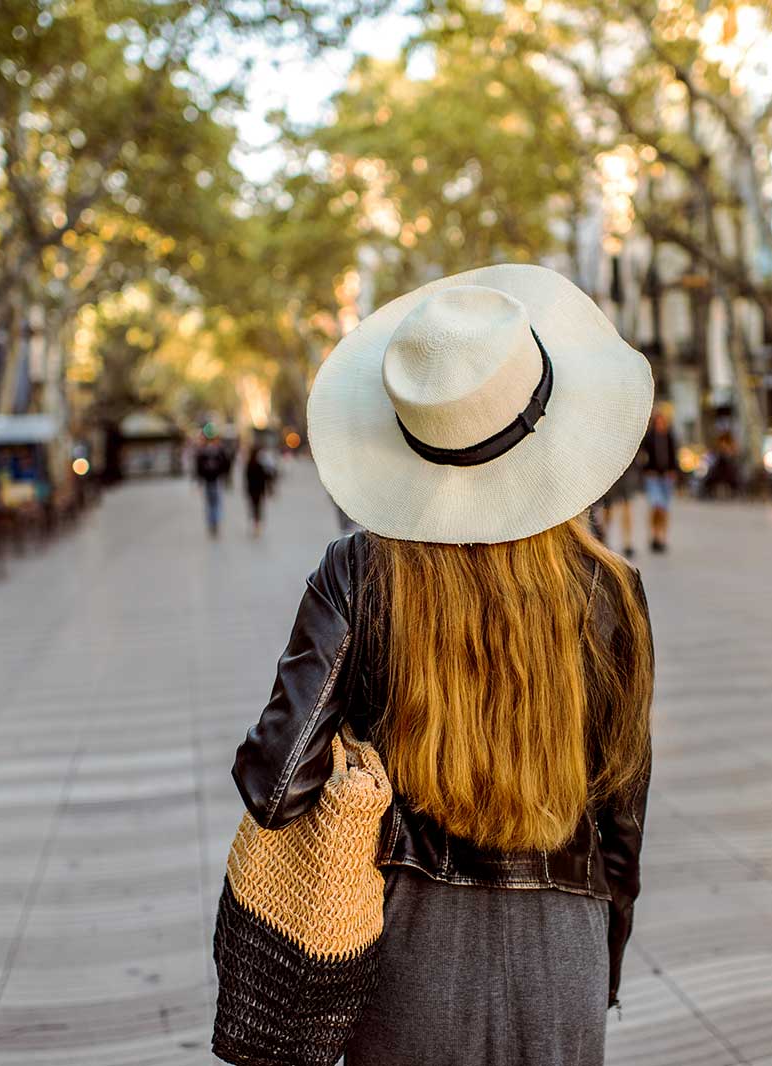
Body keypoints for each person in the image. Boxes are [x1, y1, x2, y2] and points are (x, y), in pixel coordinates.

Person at [231, 265, 656, 1065]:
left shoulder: (357, 571)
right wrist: (603, 958)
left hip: (405, 946)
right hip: (564, 946)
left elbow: (276, 782)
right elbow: (622, 819)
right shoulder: (613, 590)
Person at [640, 404, 680, 553]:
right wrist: (646, 471)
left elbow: (674, 455)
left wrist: (674, 470)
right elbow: (642, 457)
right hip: (653, 477)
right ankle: (654, 534)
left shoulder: (670, 436)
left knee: (664, 508)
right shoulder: (649, 437)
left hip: (666, 477)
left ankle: (663, 536)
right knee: (656, 506)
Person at [193, 433, 230, 537]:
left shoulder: (203, 452)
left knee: (210, 503)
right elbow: (226, 464)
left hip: (210, 481)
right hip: (215, 480)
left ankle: (212, 522)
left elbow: (198, 468)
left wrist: (199, 481)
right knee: (216, 503)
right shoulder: (218, 451)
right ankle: (214, 522)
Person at [242, 436, 272, 537]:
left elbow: (246, 478)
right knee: (258, 507)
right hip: (258, 490)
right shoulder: (259, 465)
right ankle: (257, 524)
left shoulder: (249, 464)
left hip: (252, 490)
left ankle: (254, 523)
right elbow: (265, 478)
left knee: (253, 507)